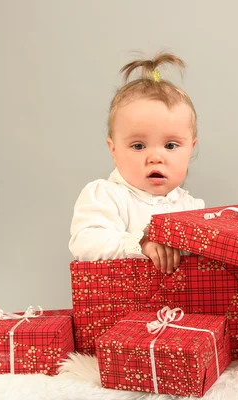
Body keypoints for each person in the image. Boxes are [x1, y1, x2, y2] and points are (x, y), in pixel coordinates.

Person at [69, 52, 204, 274]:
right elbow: (86, 243)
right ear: (113, 150)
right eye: (139, 146)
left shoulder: (193, 209)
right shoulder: (106, 196)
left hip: (181, 306)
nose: (155, 157)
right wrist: (140, 244)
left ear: (190, 149)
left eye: (170, 146)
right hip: (121, 305)